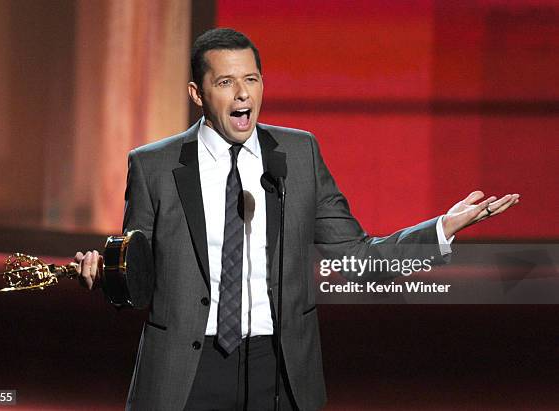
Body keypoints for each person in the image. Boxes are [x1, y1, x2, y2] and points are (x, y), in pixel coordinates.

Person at [75, 28, 519, 411]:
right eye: (226, 82)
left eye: (251, 79)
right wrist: (109, 275)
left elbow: (355, 255)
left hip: (280, 367)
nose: (243, 94)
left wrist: (441, 229)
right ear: (197, 93)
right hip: (187, 370)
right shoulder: (154, 166)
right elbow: (141, 276)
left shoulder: (298, 154)